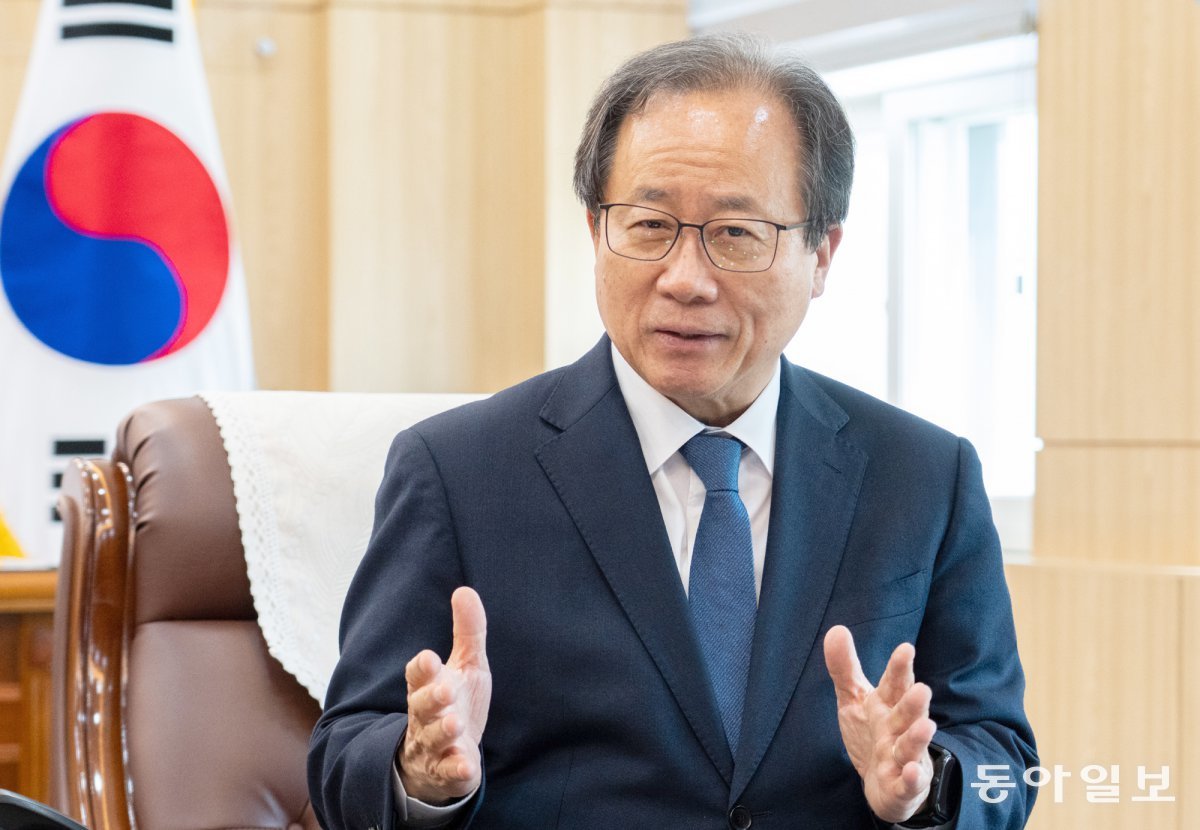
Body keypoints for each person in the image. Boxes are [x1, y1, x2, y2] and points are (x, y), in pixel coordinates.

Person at [309, 33, 1037, 829]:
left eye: (736, 233)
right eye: (649, 225)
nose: (684, 280)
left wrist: (927, 786)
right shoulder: (457, 471)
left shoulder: (923, 476)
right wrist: (420, 773)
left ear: (823, 254)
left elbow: (1002, 754)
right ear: (596, 232)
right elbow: (346, 749)